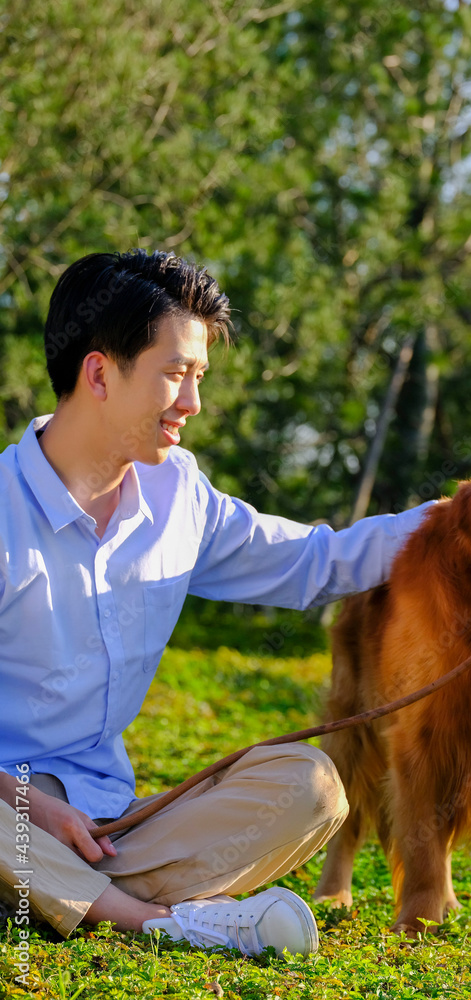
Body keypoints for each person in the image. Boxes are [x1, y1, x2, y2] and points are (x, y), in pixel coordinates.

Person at [0, 249, 430, 958]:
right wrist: (29, 806)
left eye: (197, 376)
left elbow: (313, 561)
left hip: (116, 828)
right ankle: (153, 922)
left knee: (312, 785)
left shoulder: (180, 497)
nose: (193, 405)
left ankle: (54, 895)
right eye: (175, 375)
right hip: (11, 803)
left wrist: (457, 520)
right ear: (100, 373)